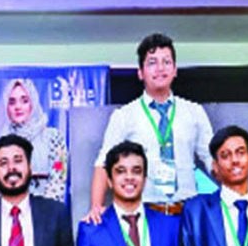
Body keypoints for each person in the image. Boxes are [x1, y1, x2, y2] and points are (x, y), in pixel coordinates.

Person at [87, 33, 213, 220]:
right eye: (152, 62)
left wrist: (241, 191)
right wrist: (96, 207)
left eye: (166, 62)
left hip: (188, 212)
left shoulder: (194, 112)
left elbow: (214, 160)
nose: (160, 68)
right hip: (145, 212)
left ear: (175, 70)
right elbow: (104, 162)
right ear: (140, 72)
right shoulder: (124, 116)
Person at [77, 141, 181, 246]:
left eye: (136, 171)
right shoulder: (91, 230)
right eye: (121, 171)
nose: (129, 177)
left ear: (145, 179)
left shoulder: (170, 226)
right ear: (109, 181)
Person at [0, 78, 68, 202]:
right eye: (12, 102)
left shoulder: (53, 137)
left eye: (24, 101)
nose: (18, 107)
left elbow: (58, 178)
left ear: (33, 103)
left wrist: (41, 212)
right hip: (10, 216)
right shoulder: (1, 142)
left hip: (46, 213)